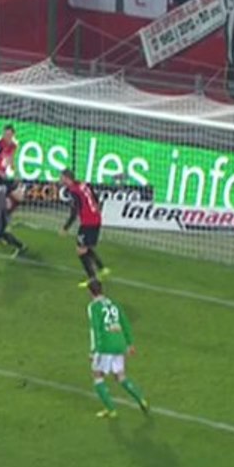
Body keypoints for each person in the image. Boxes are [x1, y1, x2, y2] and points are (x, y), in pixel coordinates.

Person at [86, 280, 149, 419]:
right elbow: (125, 323)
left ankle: (111, 410)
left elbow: (95, 329)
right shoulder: (114, 304)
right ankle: (141, 399)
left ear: (90, 292)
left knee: (97, 375)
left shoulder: (93, 307)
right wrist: (130, 343)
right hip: (120, 344)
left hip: (105, 345)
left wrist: (94, 350)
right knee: (120, 376)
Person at [59, 169, 109, 286]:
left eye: (62, 178)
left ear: (67, 178)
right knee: (85, 247)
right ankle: (102, 268)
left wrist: (66, 227)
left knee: (81, 251)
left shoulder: (74, 191)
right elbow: (96, 198)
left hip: (88, 222)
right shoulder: (83, 184)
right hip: (96, 219)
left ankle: (92, 278)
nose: (60, 180)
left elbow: (75, 211)